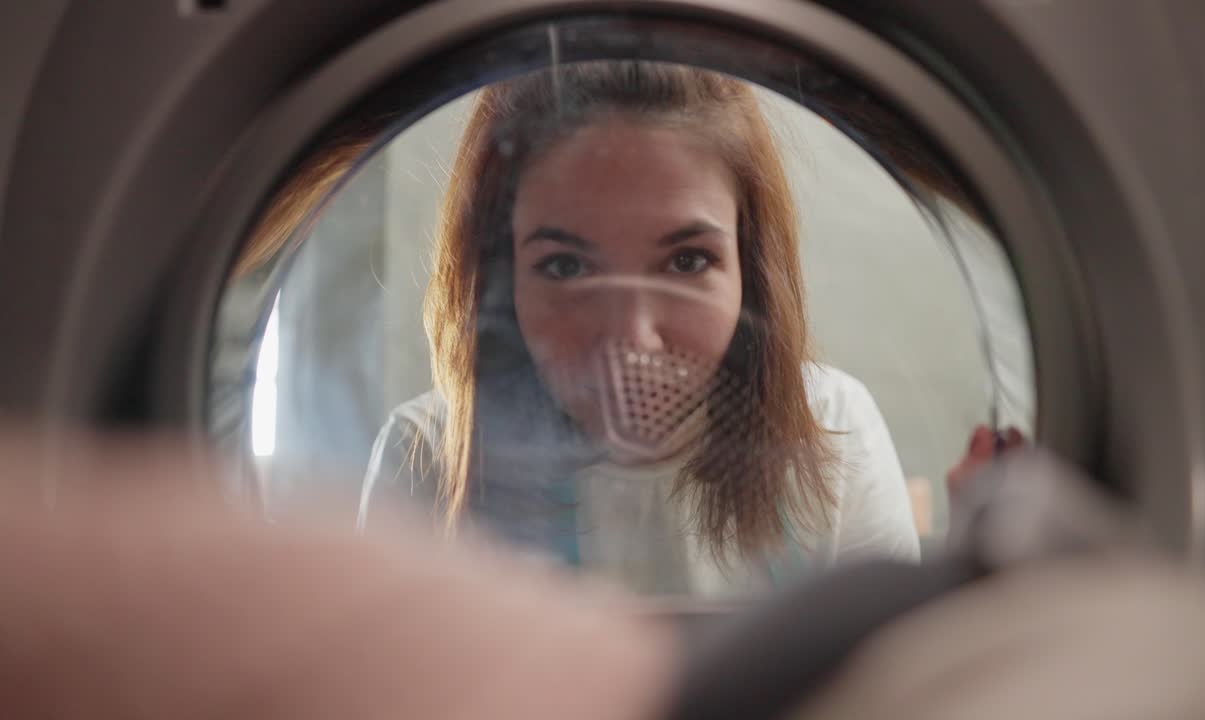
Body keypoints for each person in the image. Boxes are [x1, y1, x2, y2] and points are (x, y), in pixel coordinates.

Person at [359, 61, 920, 597]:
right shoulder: (428, 457)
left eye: (687, 262)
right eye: (567, 267)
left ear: (749, 267)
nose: (633, 340)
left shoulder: (831, 435)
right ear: (500, 281)